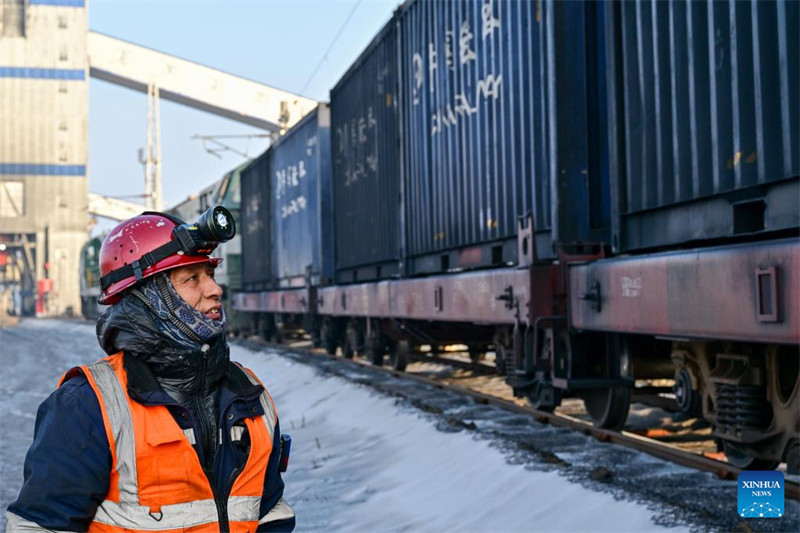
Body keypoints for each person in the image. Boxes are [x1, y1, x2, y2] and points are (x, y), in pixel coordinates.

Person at [6, 207, 295, 532]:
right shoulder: (88, 406)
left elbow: (270, 514)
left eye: (210, 274)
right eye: (191, 279)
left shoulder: (248, 394)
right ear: (149, 298)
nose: (215, 290)